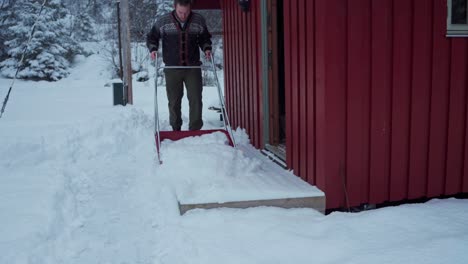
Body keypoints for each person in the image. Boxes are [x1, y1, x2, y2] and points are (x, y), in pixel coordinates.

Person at [147, 0, 212, 131]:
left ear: (190, 9)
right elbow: (152, 36)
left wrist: (206, 48)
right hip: (172, 68)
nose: (183, 15)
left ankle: (195, 129)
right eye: (180, 12)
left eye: (186, 12)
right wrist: (153, 48)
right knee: (174, 101)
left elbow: (205, 38)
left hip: (192, 68)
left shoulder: (198, 20)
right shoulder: (163, 21)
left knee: (196, 99)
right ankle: (176, 128)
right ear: (174, 7)